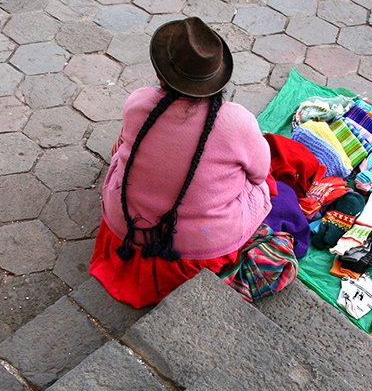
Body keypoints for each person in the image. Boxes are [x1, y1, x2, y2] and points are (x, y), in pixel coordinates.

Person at [89, 17, 273, 308]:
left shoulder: (138, 102)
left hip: (125, 232)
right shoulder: (237, 121)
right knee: (264, 188)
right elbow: (260, 175)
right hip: (195, 251)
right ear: (216, 79)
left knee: (121, 148)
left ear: (162, 74)